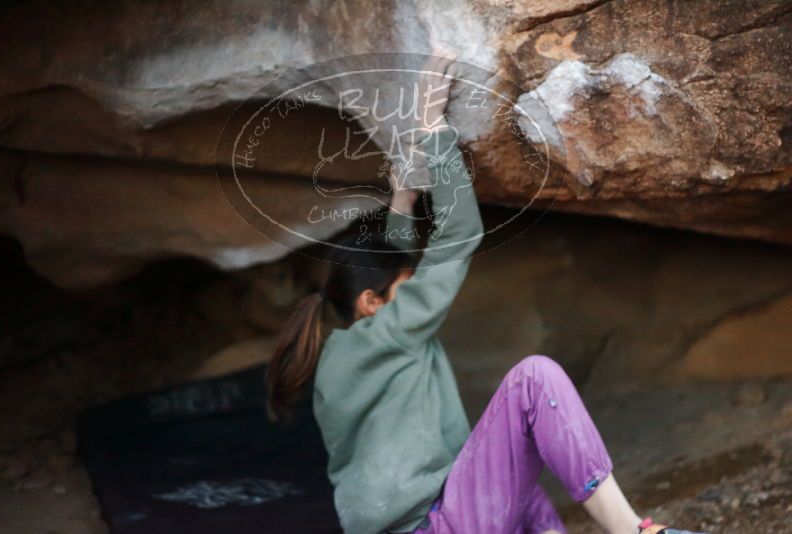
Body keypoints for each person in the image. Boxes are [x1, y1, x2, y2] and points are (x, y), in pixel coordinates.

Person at [267, 52, 703, 534]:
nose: (419, 300)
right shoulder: (386, 335)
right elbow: (458, 233)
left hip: (430, 522)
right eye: (407, 291)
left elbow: (391, 265)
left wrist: (403, 202)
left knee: (518, 463)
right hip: (434, 526)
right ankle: (631, 531)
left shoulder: (349, 353)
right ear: (371, 304)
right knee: (534, 382)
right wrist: (433, 127)